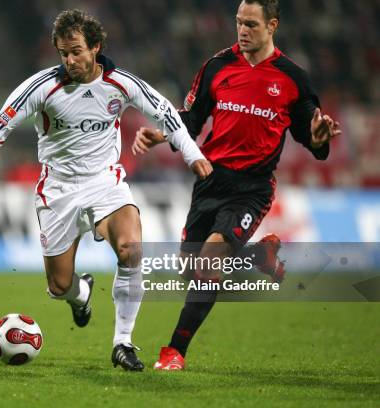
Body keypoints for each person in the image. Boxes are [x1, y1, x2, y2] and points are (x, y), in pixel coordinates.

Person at [0, 9, 212, 371]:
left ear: (95, 47)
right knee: (59, 286)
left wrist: (192, 154)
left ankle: (123, 342)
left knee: (130, 249)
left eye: (76, 51)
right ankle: (81, 295)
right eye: (63, 53)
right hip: (58, 191)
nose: (70, 60)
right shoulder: (42, 87)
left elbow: (165, 114)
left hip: (105, 183)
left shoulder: (121, 84)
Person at [132, 0, 341, 370]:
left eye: (251, 24)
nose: (242, 31)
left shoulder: (293, 78)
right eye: (238, 23)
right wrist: (162, 134)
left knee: (211, 256)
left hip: (252, 188)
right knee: (188, 268)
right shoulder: (217, 66)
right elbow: (192, 119)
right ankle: (259, 256)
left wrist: (320, 137)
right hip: (210, 180)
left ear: (272, 25)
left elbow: (313, 139)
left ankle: (174, 351)